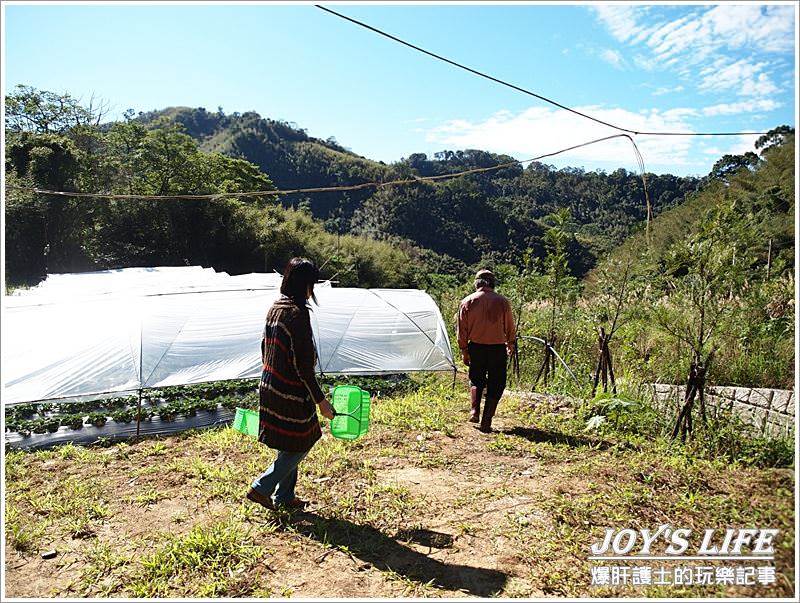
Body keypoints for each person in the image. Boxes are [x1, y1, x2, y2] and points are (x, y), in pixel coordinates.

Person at [246, 257, 335, 511]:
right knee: (304, 440)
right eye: (312, 284)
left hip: (270, 385)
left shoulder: (276, 307)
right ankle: (262, 487)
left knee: (288, 442)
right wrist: (321, 401)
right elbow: (303, 368)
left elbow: (265, 347)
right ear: (304, 285)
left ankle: (284, 497)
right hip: (289, 392)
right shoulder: (297, 314)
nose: (312, 290)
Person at [456, 268, 516, 433]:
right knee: (497, 383)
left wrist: (464, 350)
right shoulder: (503, 302)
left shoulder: (467, 302)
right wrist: (510, 343)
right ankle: (486, 421)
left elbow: (462, 330)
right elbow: (510, 326)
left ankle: (474, 410)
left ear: (477, 283)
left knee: (476, 379)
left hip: (476, 347)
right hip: (497, 349)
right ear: (492, 283)